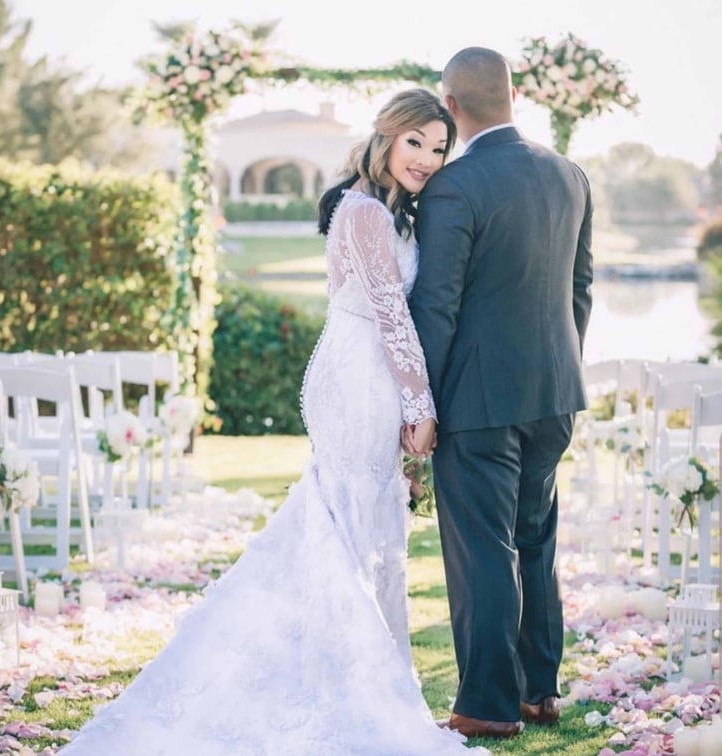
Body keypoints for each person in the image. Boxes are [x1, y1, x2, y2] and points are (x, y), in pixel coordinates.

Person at [58, 88, 486, 755]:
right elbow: (390, 314)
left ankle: (370, 682)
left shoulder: (380, 211)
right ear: (385, 136)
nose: (427, 159)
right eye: (416, 143)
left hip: (362, 369)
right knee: (355, 526)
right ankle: (361, 689)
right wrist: (420, 406)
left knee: (364, 531)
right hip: (359, 378)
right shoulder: (365, 211)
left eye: (438, 148)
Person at [408, 47, 593, 739]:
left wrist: (417, 404)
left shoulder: (454, 186)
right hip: (554, 394)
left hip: (478, 402)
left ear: (450, 107)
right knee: (534, 541)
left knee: (483, 549)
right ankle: (537, 693)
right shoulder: (569, 174)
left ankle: (485, 705)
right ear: (511, 96)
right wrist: (555, 367)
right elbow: (579, 291)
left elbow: (436, 305)